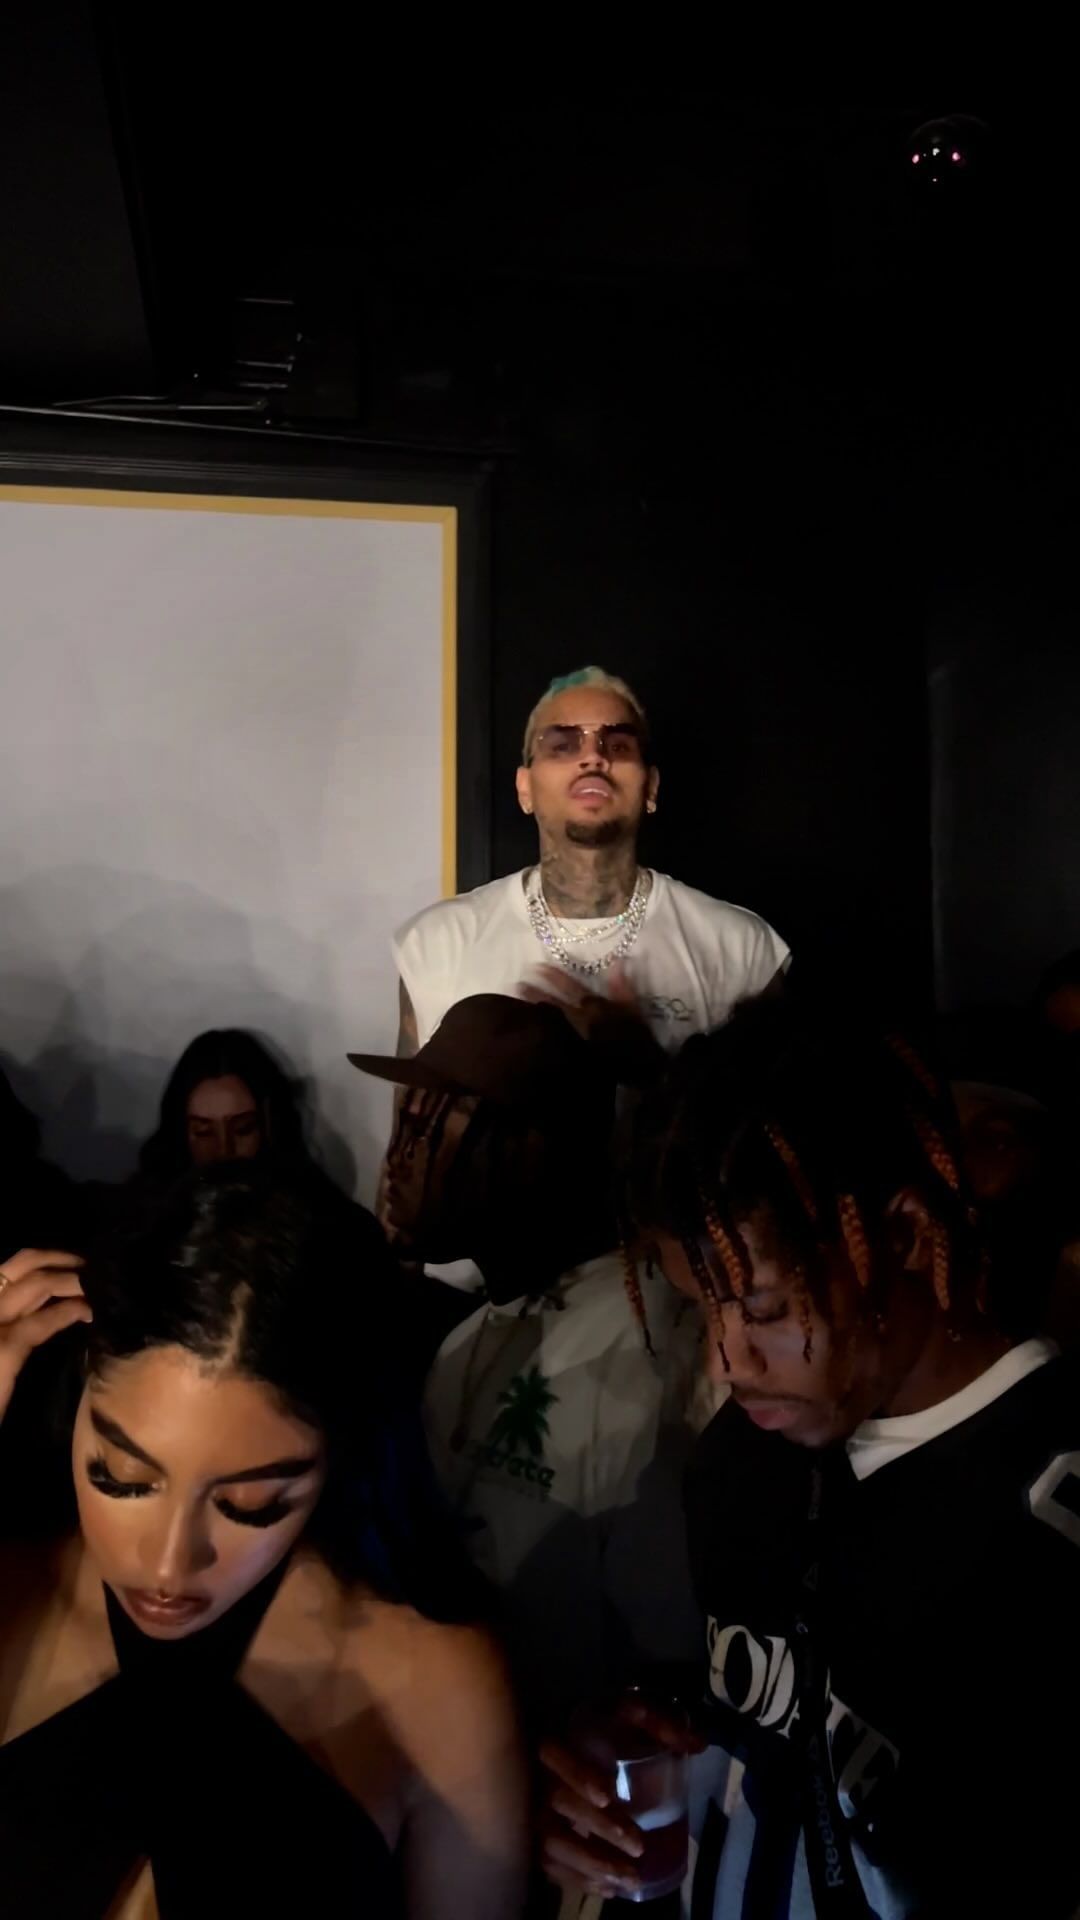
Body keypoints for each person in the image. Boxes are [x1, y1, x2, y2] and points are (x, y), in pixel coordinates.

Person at [541, 999, 1080, 1918]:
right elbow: (757, 1710)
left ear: (903, 1237)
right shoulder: (743, 1456)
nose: (725, 1360)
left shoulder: (1044, 1518)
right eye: (700, 1308)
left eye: (762, 1309)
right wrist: (637, 1739)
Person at [0, 1170, 528, 1919]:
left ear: (338, 1455)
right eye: (122, 1477)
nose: (168, 1564)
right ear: (79, 1394)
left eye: (251, 1505)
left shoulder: (431, 1682)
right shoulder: (14, 1589)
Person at [351, 994, 717, 1734]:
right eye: (408, 1116)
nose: (401, 1154)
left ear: (533, 1149)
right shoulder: (465, 1340)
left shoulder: (651, 1350)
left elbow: (673, 1674)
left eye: (441, 1118)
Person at [392, 666, 789, 1061]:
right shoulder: (436, 944)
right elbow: (411, 1103)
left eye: (617, 746)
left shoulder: (742, 951)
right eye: (562, 746)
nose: (593, 757)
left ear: (650, 787)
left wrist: (647, 1068)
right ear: (525, 789)